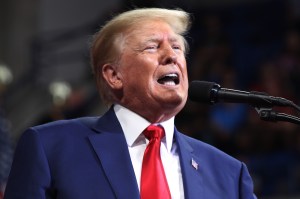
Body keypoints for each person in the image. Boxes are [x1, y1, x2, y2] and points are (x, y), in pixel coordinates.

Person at [4, 8, 256, 199]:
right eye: (152, 47)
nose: (171, 56)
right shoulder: (50, 148)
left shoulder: (229, 174)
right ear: (114, 76)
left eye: (177, 47)